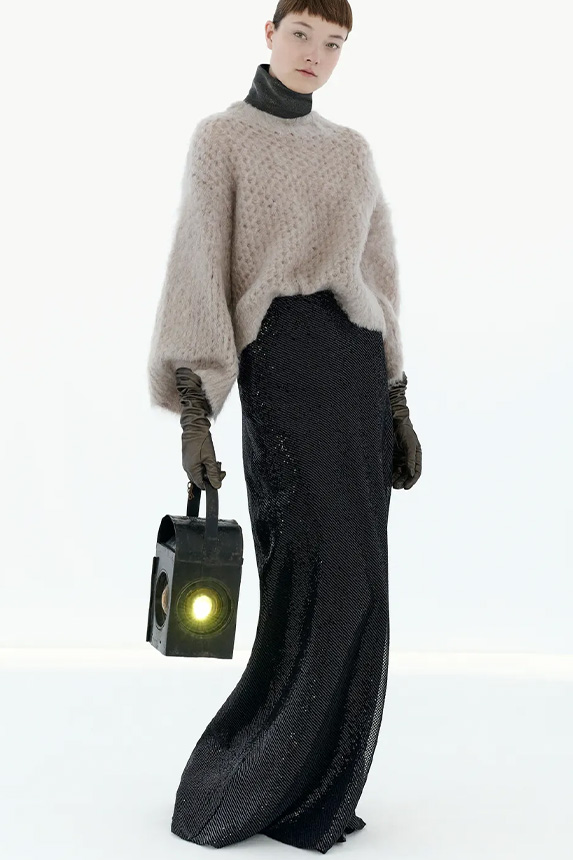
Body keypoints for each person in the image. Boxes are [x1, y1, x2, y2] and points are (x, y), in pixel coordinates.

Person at [147, 1, 422, 852]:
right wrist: (196, 412)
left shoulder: (350, 150)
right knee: (314, 576)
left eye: (334, 43)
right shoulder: (221, 139)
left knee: (362, 584)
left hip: (353, 371)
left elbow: (378, 273)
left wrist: (397, 400)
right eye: (302, 33)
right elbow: (198, 265)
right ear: (269, 34)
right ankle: (248, 780)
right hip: (282, 365)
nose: (316, 54)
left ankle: (321, 784)